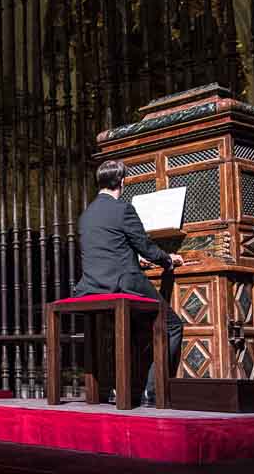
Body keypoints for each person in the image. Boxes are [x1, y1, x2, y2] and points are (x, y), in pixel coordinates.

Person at [74, 159, 185, 404]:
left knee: (141, 328)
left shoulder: (86, 215)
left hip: (93, 285)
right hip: (123, 283)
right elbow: (145, 246)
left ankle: (127, 386)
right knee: (173, 325)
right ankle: (152, 391)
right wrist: (168, 259)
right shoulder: (123, 209)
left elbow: (110, 248)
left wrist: (135, 259)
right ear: (122, 182)